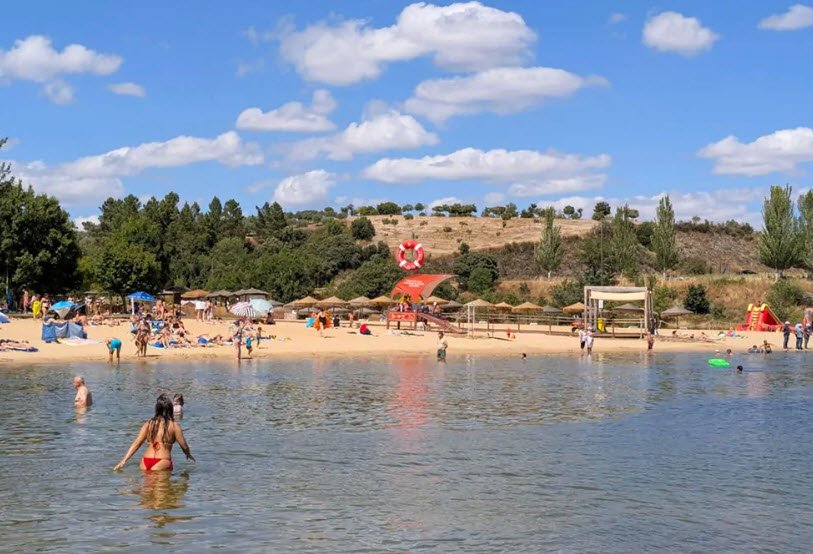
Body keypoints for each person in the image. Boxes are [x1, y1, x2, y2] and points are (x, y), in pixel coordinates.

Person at [113, 394, 194, 472]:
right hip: (162, 461)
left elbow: (137, 443)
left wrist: (123, 461)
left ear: (157, 409)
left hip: (145, 461)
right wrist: (188, 454)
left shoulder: (148, 424)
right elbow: (184, 446)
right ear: (170, 409)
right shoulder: (174, 426)